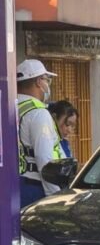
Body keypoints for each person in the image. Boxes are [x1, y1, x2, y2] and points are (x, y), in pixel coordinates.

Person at [17, 59, 64, 207]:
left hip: (16, 185)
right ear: (38, 82)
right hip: (36, 188)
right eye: (46, 80)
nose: (48, 85)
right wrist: (55, 199)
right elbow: (44, 159)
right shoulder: (38, 113)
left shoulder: (11, 108)